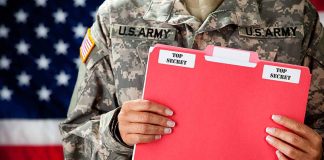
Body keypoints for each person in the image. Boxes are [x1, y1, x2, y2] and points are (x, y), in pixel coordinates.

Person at [59, 0, 324, 159]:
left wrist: (318, 152)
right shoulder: (117, 15)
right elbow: (75, 143)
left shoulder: (296, 14)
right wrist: (114, 131)